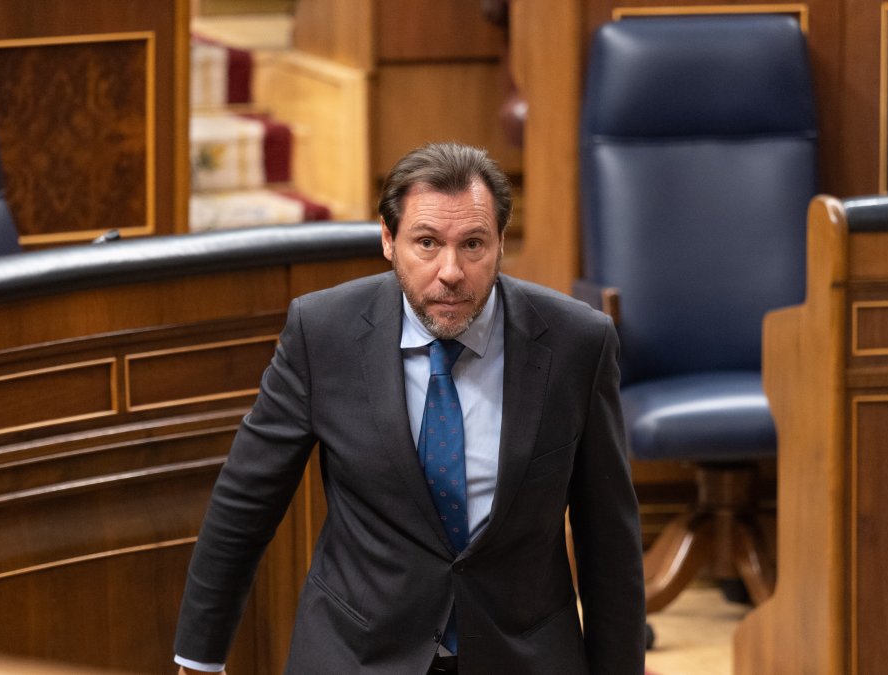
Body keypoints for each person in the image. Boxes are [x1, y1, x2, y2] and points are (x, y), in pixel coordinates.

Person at [173, 142, 645, 674]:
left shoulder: (576, 342)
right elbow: (244, 503)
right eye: (427, 243)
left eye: (473, 244)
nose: (451, 271)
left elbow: (610, 544)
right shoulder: (322, 333)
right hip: (357, 653)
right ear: (387, 240)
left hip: (521, 655)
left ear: (500, 243)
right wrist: (200, 658)